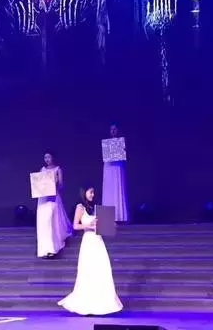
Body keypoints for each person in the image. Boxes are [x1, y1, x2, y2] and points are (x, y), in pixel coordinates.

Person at [58, 184, 123, 315]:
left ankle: (103, 302)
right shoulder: (80, 207)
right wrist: (89, 226)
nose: (92, 195)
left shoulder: (95, 208)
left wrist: (110, 225)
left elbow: (103, 225)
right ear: (84, 193)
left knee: (102, 270)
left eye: (93, 192)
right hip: (88, 241)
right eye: (90, 192)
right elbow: (75, 225)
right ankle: (87, 303)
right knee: (88, 271)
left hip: (98, 241)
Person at [36, 152, 72, 258]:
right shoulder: (42, 169)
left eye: (49, 157)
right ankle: (44, 248)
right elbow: (39, 184)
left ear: (53, 158)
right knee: (43, 223)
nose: (47, 159)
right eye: (45, 157)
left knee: (52, 222)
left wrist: (55, 183)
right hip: (42, 199)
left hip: (53, 197)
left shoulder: (57, 169)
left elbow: (61, 185)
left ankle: (53, 247)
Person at [102, 124, 129, 222]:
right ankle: (108, 216)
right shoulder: (106, 143)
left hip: (117, 168)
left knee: (118, 188)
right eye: (111, 129)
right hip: (109, 168)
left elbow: (123, 158)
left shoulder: (120, 142)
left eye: (115, 129)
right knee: (109, 191)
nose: (113, 131)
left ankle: (119, 216)